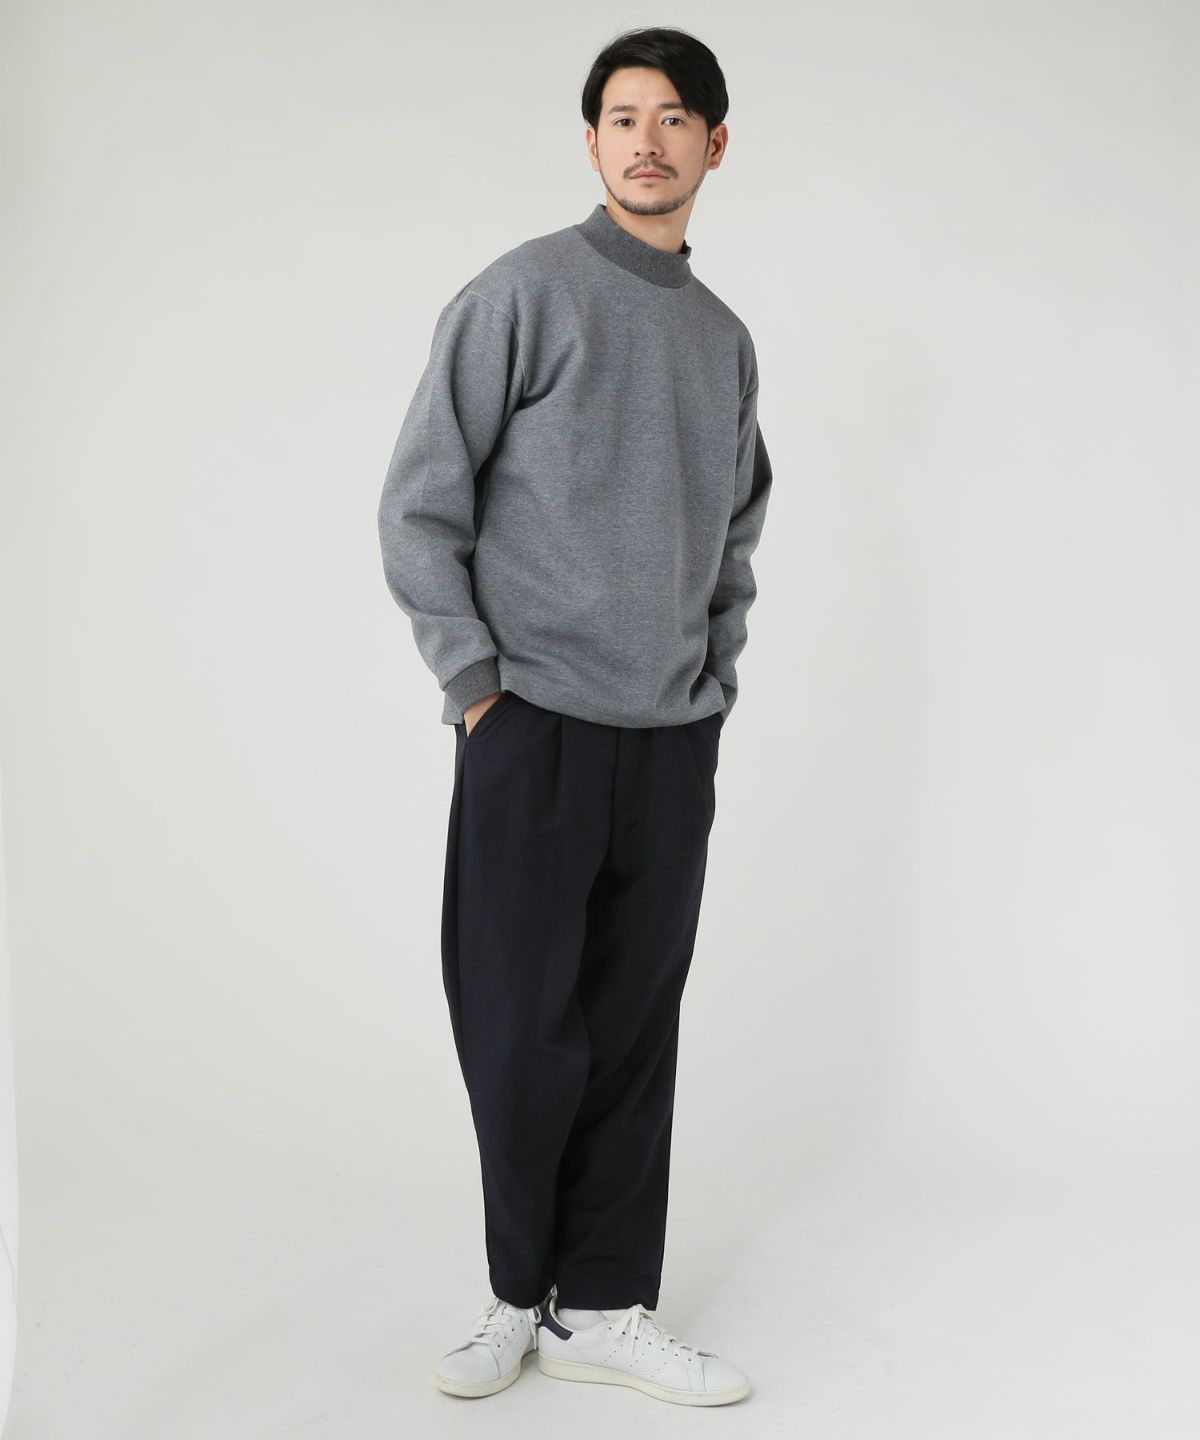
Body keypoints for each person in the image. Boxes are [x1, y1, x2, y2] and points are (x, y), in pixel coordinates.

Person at [376, 26, 772, 1408]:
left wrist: (710, 689)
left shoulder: (723, 342)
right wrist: (476, 684)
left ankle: (601, 1305)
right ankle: (514, 1293)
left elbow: (735, 537)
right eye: (621, 116)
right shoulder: (523, 293)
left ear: (715, 144)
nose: (646, 140)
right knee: (516, 1021)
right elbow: (421, 502)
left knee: (633, 1024)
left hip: (669, 737)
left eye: (673, 118)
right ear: (593, 140)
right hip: (531, 720)